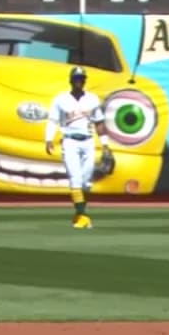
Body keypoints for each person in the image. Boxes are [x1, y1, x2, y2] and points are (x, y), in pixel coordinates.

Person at [45, 66, 110, 229]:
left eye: (81, 79)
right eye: (76, 79)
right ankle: (83, 216)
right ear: (71, 81)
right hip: (69, 141)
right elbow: (52, 120)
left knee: (86, 183)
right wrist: (48, 139)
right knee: (75, 177)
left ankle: (79, 213)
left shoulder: (92, 99)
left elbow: (99, 123)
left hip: (88, 142)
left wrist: (105, 145)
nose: (79, 82)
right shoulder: (61, 99)